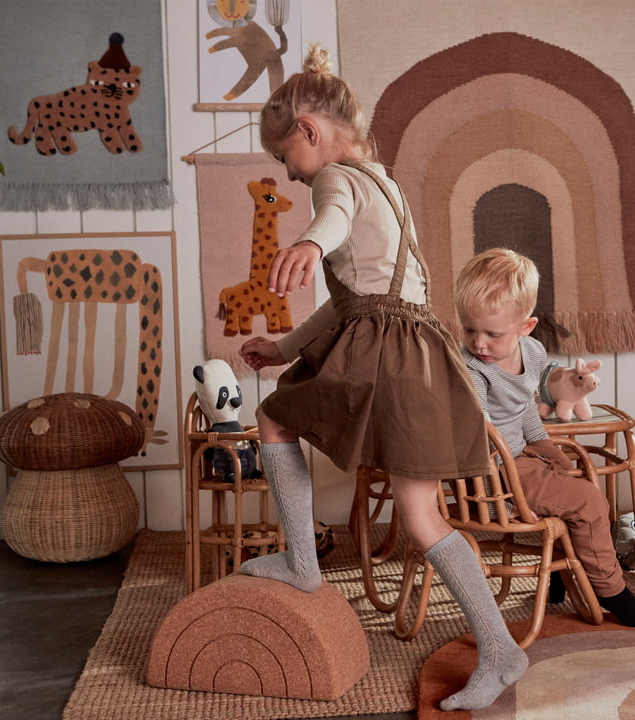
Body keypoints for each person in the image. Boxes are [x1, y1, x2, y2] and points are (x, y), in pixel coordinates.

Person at [238, 44, 529, 712]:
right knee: (424, 517)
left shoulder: (333, 182)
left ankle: (304, 564)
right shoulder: (387, 185)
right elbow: (360, 298)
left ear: (310, 133)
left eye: (286, 158)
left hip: (386, 355)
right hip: (421, 352)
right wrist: (285, 347)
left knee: (275, 419)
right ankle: (499, 649)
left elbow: (330, 217)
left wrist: (312, 241)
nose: (288, 172)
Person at [455, 247, 635, 627]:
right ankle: (611, 590)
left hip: (520, 456)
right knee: (587, 501)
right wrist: (498, 499)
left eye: (492, 333)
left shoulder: (533, 354)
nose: (478, 343)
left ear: (526, 327)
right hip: (493, 467)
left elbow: (524, 409)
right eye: (470, 330)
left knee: (573, 474)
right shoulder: (471, 369)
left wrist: (546, 447)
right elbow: (474, 436)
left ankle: (560, 573)